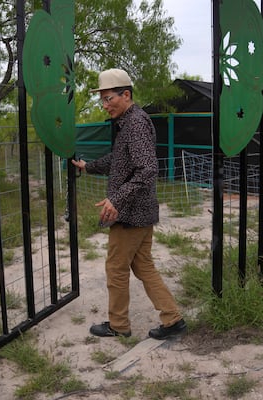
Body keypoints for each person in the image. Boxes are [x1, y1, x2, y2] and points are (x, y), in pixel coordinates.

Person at [71, 68, 186, 340]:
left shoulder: (135, 123)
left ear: (126, 94)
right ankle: (172, 319)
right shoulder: (129, 122)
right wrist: (89, 167)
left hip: (131, 212)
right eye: (102, 99)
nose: (105, 104)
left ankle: (119, 325)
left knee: (116, 268)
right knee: (143, 265)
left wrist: (117, 199)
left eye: (109, 98)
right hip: (139, 210)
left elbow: (146, 169)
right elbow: (119, 159)